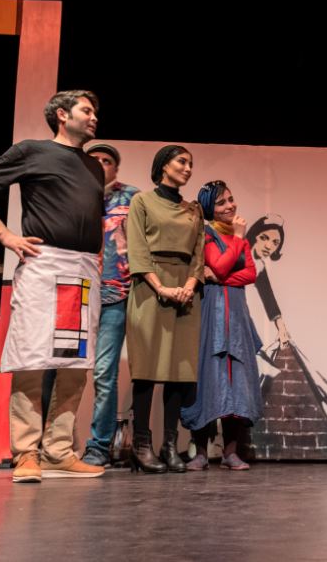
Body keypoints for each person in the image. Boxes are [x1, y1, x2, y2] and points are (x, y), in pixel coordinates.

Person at [0, 90, 106, 482]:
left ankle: (58, 451)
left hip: (82, 269)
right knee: (32, 357)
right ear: (62, 115)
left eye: (95, 111)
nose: (94, 116)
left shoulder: (94, 167)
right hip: (44, 264)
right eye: (86, 110)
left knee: (75, 363)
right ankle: (25, 453)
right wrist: (4, 235)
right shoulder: (32, 151)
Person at [125, 145, 205, 473]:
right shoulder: (142, 201)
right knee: (146, 368)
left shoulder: (193, 210)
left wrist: (189, 285)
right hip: (150, 286)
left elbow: (198, 254)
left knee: (178, 370)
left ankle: (169, 444)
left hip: (185, 290)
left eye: (190, 163)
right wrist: (161, 287)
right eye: (181, 161)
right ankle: (141, 445)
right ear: (163, 166)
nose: (188, 168)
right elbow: (137, 250)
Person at [182, 181, 263, 470]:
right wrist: (238, 239)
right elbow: (218, 264)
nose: (230, 206)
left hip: (237, 314)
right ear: (209, 208)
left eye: (231, 199)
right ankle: (201, 452)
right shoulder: (206, 234)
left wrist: (222, 277)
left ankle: (230, 452)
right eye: (221, 202)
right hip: (211, 311)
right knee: (207, 378)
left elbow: (249, 274)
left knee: (236, 379)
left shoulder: (239, 239)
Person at [81, 143, 139, 467]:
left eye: (107, 161)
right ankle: (53, 445)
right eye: (96, 160)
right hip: (78, 293)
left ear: (115, 168)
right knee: (65, 371)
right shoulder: (74, 193)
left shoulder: (131, 197)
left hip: (115, 294)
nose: (101, 164)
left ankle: (99, 447)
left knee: (104, 372)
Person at [246, 215, 290, 348]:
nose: (268, 246)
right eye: (264, 238)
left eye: (275, 243)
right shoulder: (238, 253)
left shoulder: (259, 265)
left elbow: (268, 297)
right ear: (254, 235)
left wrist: (281, 328)